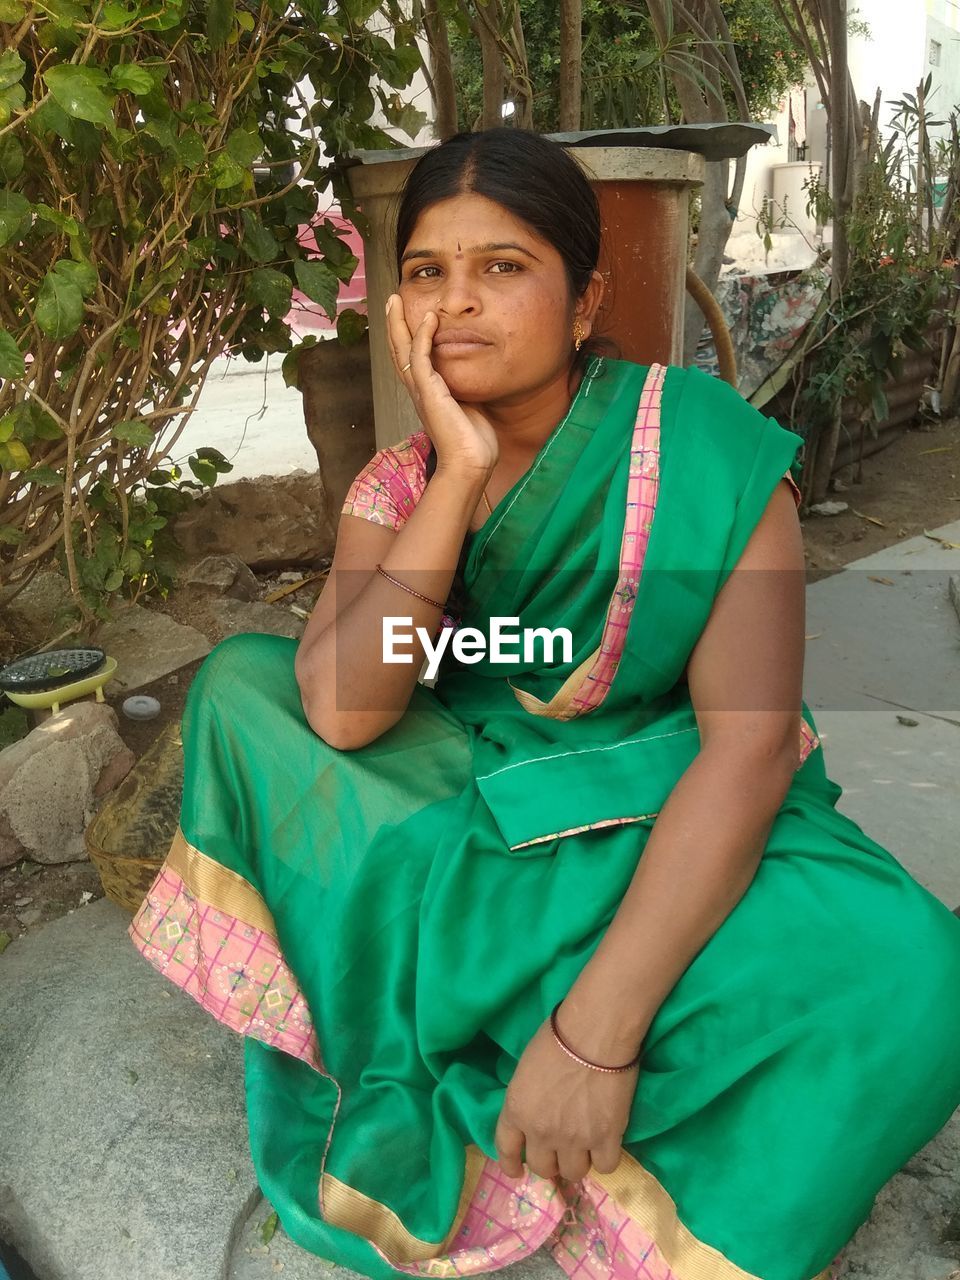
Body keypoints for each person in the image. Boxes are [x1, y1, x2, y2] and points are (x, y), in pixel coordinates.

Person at [128, 128, 960, 1280]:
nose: (455, 302)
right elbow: (344, 712)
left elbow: (752, 748)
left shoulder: (702, 451)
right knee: (241, 685)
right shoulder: (402, 482)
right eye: (426, 271)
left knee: (916, 968)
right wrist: (457, 474)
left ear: (584, 299)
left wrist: (596, 1035)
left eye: (502, 267)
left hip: (662, 802)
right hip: (471, 790)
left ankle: (529, 1025)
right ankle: (499, 992)